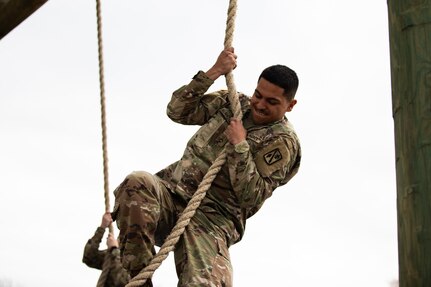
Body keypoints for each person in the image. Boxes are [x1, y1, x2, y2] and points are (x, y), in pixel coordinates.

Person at [112, 47, 301, 286]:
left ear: (290, 104)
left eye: (272, 102)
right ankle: (138, 281)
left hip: (213, 219)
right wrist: (213, 72)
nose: (260, 104)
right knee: (137, 182)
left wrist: (240, 147)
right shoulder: (232, 103)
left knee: (204, 283)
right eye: (258, 95)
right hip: (173, 195)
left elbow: (251, 197)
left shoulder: (282, 143)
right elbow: (177, 111)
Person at [83, 212, 130, 287]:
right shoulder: (113, 254)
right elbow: (89, 257)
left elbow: (120, 281)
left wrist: (114, 249)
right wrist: (102, 227)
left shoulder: (139, 258)